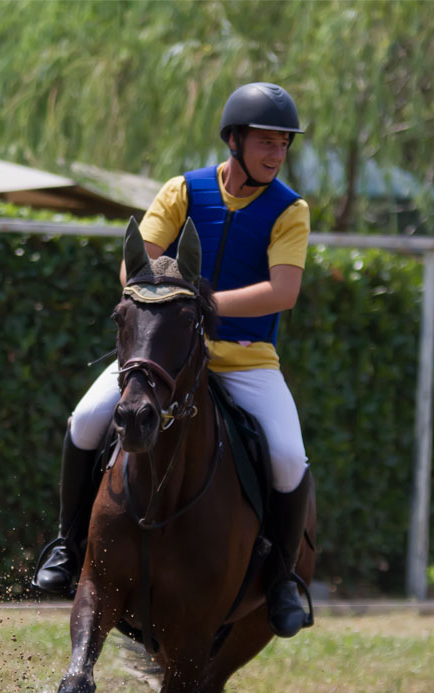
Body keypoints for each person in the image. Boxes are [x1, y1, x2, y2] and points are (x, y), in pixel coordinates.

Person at [32, 82, 314, 638]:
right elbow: (138, 269)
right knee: (86, 421)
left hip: (245, 360)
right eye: (265, 141)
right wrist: (175, 310)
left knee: (287, 456)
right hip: (162, 355)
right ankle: (68, 546)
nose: (276, 153)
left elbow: (283, 291)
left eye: (283, 144)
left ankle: (281, 580)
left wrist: (200, 304)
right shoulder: (183, 191)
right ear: (234, 140)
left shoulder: (290, 210)